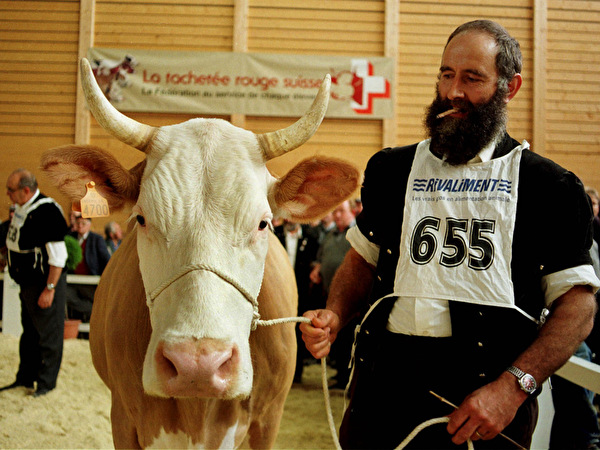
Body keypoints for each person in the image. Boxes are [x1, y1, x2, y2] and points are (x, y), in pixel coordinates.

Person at [300, 20, 599, 449]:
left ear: (509, 88)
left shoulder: (549, 187)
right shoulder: (391, 170)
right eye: (446, 74)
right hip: (380, 392)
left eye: (472, 78)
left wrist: (514, 388)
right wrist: (333, 315)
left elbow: (578, 306)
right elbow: (361, 261)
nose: (453, 92)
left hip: (483, 404)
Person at [2, 169, 68, 397]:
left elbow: (58, 256)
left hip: (44, 283)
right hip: (27, 284)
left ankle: (46, 384)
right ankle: (25, 378)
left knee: (48, 335)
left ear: (26, 190)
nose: (7, 194)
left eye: (11, 190)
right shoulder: (21, 208)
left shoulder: (47, 211)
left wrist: (49, 289)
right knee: (29, 333)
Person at [309, 200, 356, 389]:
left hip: (352, 300)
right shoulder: (329, 236)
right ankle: (340, 374)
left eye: (341, 211)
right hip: (329, 294)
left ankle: (348, 377)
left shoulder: (357, 235)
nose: (337, 215)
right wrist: (317, 268)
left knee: (349, 339)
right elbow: (320, 257)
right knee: (337, 338)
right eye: (335, 211)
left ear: (352, 211)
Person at [273, 220, 321, 383]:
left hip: (302, 292)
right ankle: (277, 372)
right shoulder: (274, 234)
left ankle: (296, 372)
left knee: (299, 331)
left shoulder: (311, 236)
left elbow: (316, 260)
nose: (290, 220)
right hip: (277, 291)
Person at [65, 214, 110, 322]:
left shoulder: (97, 239)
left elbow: (107, 260)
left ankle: (92, 314)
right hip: (72, 281)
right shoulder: (69, 237)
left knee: (97, 301)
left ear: (89, 225)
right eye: (78, 223)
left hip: (90, 282)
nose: (80, 226)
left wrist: (105, 280)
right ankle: (90, 310)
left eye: (83, 223)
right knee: (67, 296)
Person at [0, 204, 15, 270]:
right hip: (5, 257)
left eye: (14, 211)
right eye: (10, 211)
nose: (11, 214)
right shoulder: (3, 226)